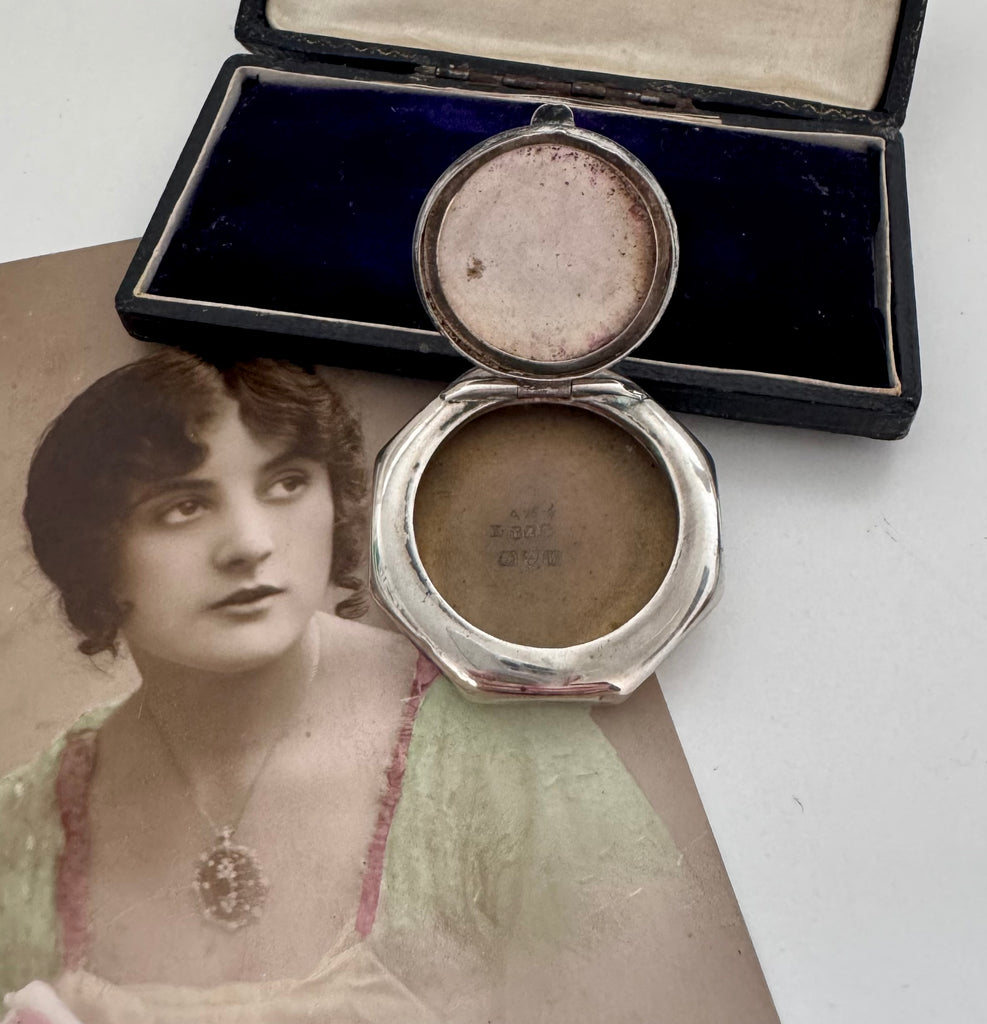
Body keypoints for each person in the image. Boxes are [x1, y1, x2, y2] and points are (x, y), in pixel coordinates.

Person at [0, 349, 697, 1024]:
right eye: (183, 507)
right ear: (91, 552)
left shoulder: (509, 747)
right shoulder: (28, 828)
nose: (250, 544)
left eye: (286, 484)